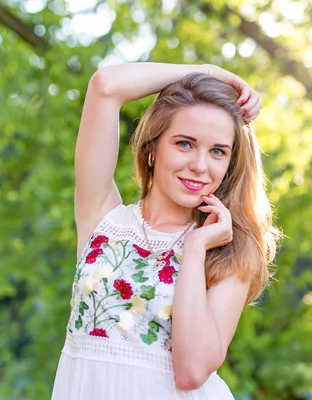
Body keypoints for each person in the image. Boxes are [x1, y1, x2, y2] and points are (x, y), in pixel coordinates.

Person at [51, 62, 281, 399]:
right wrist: (208, 71)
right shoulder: (101, 216)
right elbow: (105, 85)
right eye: (185, 144)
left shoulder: (230, 249)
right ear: (151, 150)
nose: (200, 166)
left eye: (217, 151)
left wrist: (196, 249)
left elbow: (191, 373)